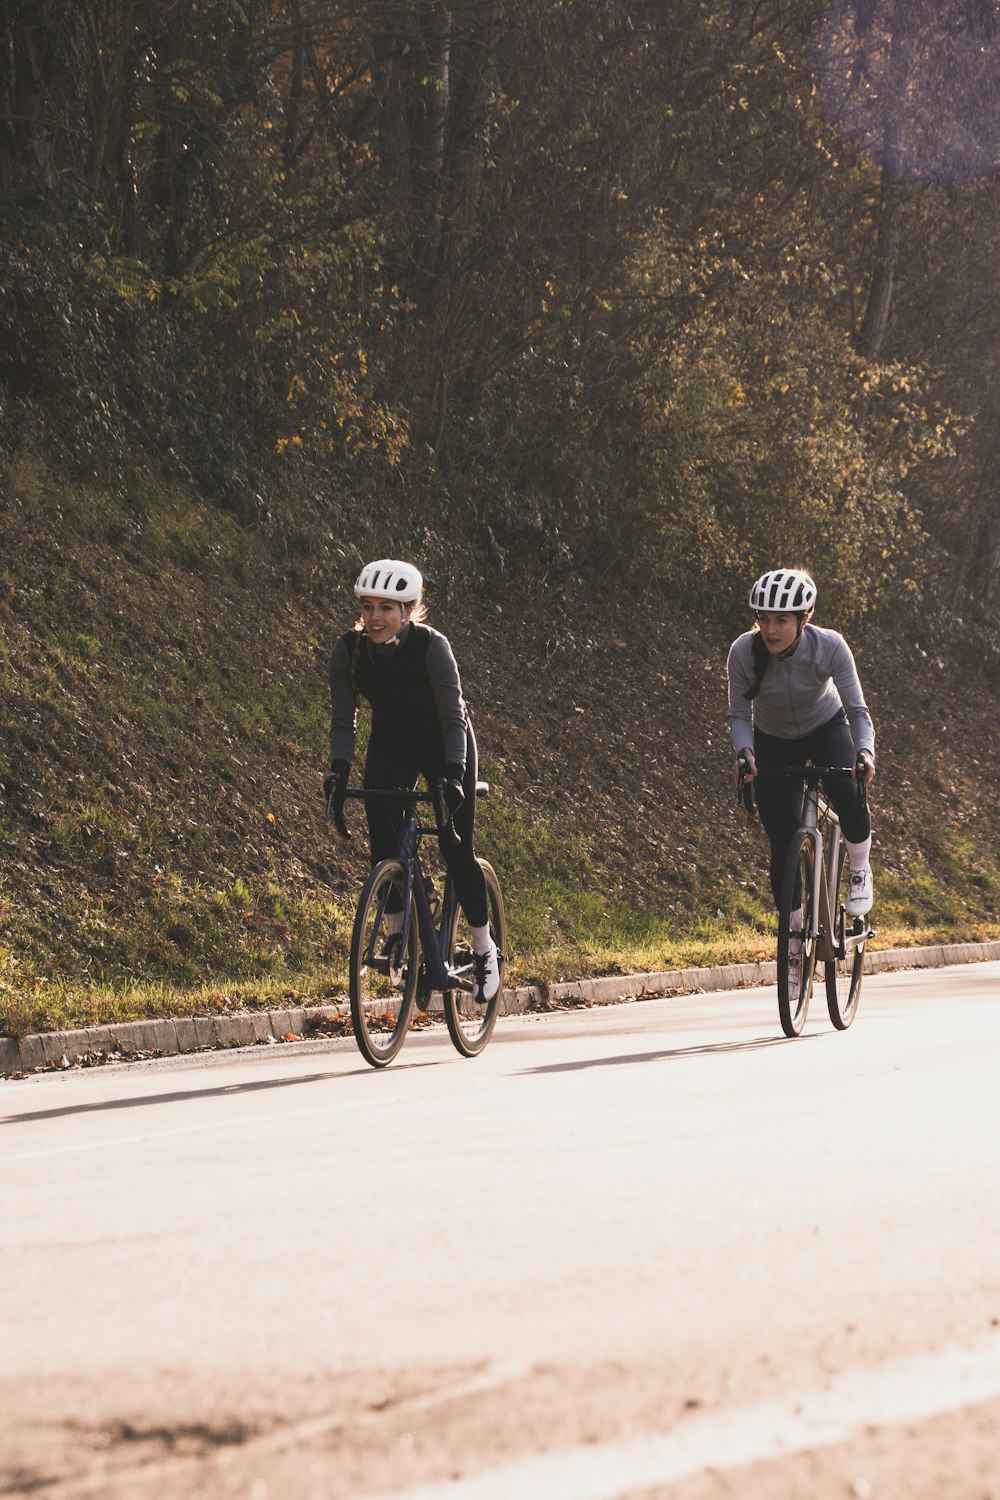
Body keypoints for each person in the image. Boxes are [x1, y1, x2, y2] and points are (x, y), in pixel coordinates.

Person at [324, 558, 500, 1004]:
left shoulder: (431, 647)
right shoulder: (349, 650)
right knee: (382, 835)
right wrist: (339, 771)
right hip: (392, 740)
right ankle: (398, 934)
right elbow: (344, 721)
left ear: (408, 609)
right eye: (368, 606)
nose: (375, 617)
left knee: (455, 844)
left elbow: (452, 718)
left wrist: (455, 775)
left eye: (387, 607)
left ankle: (483, 949)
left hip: (443, 741)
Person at [727, 568, 876, 961]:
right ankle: (793, 943)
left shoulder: (830, 646)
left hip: (825, 727)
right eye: (763, 619)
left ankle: (859, 869)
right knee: (782, 838)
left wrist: (864, 752)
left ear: (804, 619)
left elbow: (858, 710)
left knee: (847, 789)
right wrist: (745, 752)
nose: (770, 629)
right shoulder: (743, 652)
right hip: (774, 740)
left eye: (781, 620)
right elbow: (739, 715)